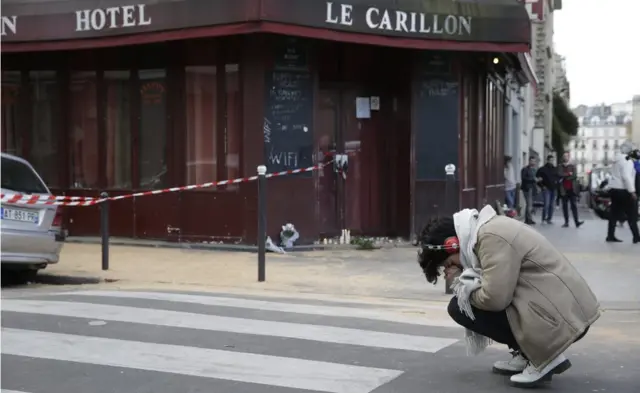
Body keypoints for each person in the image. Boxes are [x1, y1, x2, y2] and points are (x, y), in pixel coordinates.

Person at [417, 206, 600, 388]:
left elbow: (494, 299)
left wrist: (463, 287)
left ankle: (544, 357)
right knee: (464, 303)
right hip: (559, 309)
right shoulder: (486, 231)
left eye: (449, 263)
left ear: (452, 244)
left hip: (562, 317)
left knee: (460, 307)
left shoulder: (491, 238)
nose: (452, 268)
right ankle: (527, 352)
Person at [606, 142, 639, 243]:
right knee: (632, 213)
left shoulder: (616, 160)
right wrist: (632, 191)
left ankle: (610, 236)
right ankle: (636, 236)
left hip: (614, 189)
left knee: (613, 214)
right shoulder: (627, 161)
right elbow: (626, 176)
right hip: (623, 190)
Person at [558, 152, 584, 228]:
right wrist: (569, 174)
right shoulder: (560, 166)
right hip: (563, 189)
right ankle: (566, 222)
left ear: (569, 157)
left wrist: (566, 176)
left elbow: (574, 176)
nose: (565, 157)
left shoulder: (573, 166)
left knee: (574, 206)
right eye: (564, 156)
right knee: (565, 206)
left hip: (572, 189)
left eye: (566, 156)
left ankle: (577, 222)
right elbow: (559, 174)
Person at [536, 155, 559, 224]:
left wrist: (556, 185)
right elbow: (537, 179)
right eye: (550, 160)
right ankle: (543, 219)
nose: (552, 161)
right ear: (547, 160)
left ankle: (549, 219)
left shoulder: (555, 169)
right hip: (546, 189)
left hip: (553, 189)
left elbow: (557, 178)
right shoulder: (542, 169)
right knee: (546, 204)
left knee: (552, 205)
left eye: (553, 160)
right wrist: (542, 186)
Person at [520, 157, 537, 225]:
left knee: (530, 204)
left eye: (534, 161)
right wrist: (533, 179)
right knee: (529, 204)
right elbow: (524, 178)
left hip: (532, 188)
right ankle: (528, 219)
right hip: (526, 188)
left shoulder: (534, 170)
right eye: (531, 161)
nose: (533, 162)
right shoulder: (525, 169)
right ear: (529, 161)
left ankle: (528, 219)